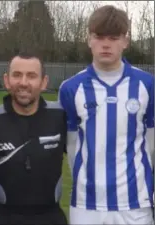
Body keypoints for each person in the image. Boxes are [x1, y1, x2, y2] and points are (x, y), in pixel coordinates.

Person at [58, 5, 154, 225]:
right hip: (86, 203)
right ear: (89, 39)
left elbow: (151, 144)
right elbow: (71, 146)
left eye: (113, 37)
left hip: (135, 202)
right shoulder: (71, 88)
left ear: (125, 41)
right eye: (99, 36)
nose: (106, 44)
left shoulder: (147, 85)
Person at [0, 52, 68, 225]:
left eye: (32, 76)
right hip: (4, 218)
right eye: (17, 75)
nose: (23, 83)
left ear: (44, 82)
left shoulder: (60, 117)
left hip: (51, 217)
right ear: (6, 80)